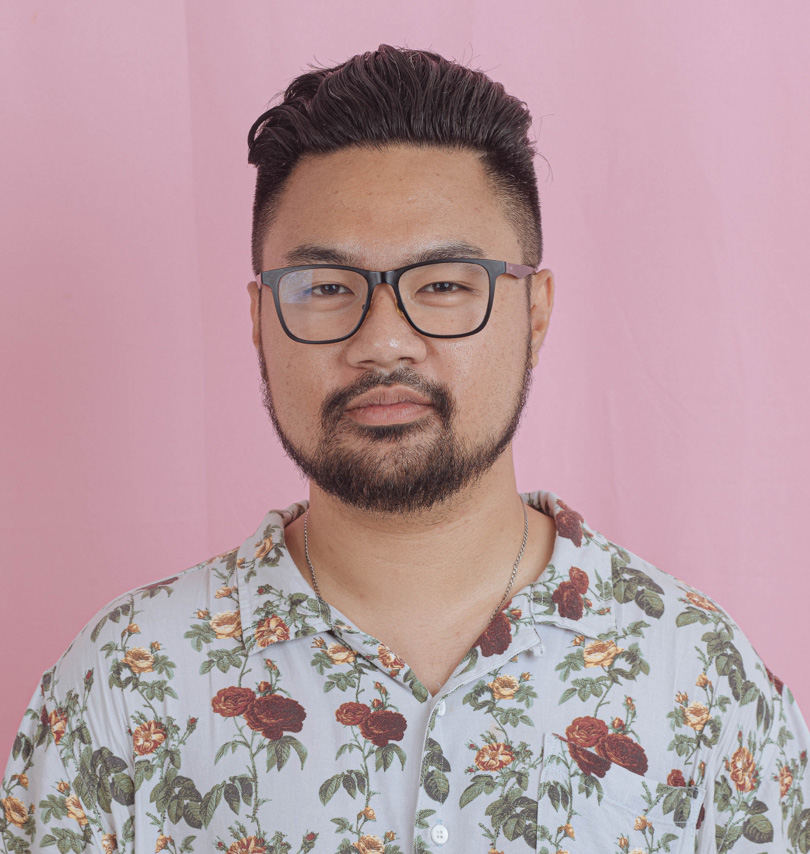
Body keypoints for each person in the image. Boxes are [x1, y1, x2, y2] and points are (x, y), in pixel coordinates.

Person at [2, 44, 807, 854]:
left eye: (445, 284)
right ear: (258, 321)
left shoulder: (704, 683)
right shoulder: (125, 683)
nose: (384, 342)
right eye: (325, 289)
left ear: (535, 313)